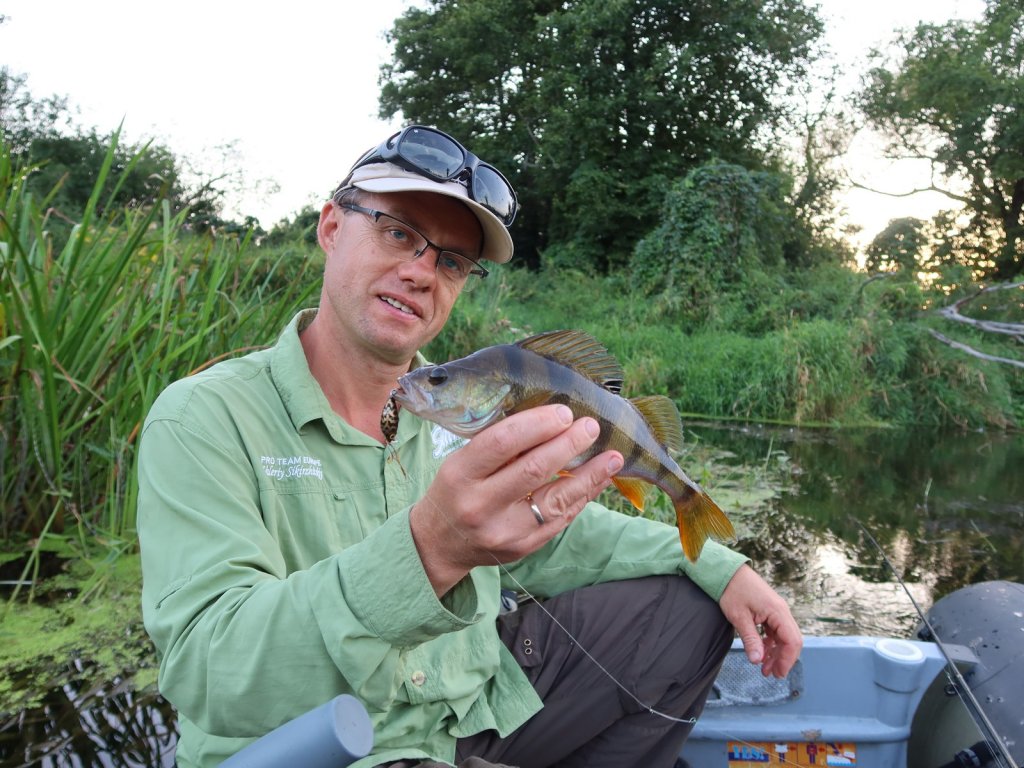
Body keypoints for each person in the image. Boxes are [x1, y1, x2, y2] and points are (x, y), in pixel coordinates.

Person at [137, 125, 802, 768]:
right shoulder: (203, 418)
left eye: (452, 261)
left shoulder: (457, 420)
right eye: (398, 232)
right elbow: (206, 671)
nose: (422, 272)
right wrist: (429, 549)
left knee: (687, 613)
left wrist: (723, 567)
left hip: (469, 716)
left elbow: (564, 537)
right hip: (334, 748)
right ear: (332, 227)